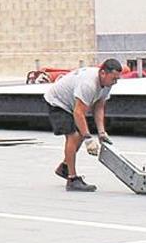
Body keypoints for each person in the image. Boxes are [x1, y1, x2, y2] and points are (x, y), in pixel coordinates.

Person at [44, 58, 122, 191]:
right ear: (103, 73)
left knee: (79, 134)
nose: (115, 82)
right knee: (74, 136)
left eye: (117, 79)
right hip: (58, 103)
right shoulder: (89, 84)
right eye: (113, 78)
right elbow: (78, 112)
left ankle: (64, 167)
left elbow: (99, 107)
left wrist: (102, 133)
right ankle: (72, 179)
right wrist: (88, 138)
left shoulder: (107, 85)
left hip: (71, 105)